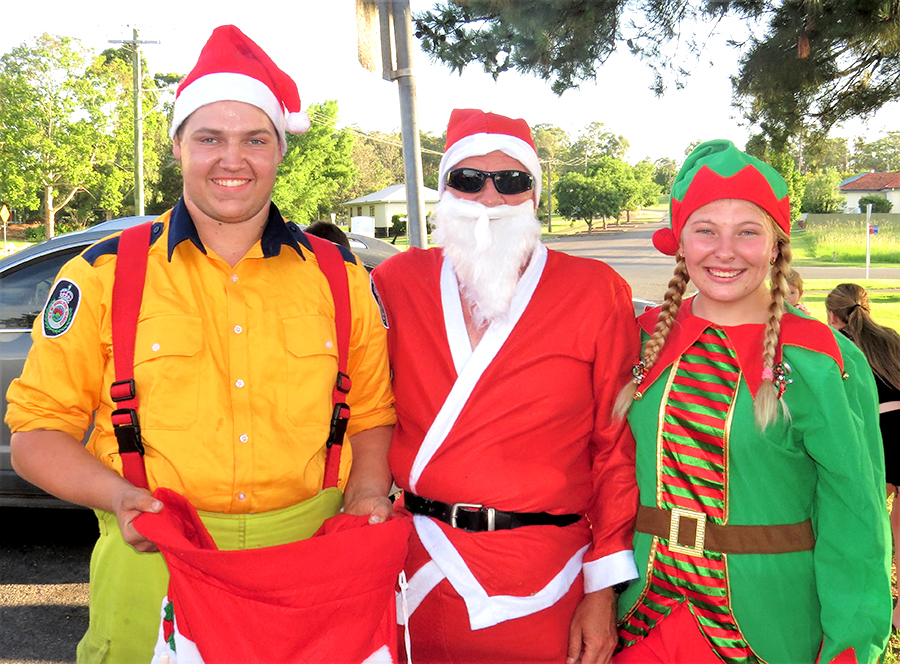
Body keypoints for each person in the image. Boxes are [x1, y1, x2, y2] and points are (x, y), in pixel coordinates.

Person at [5, 25, 395, 664]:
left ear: (279, 151)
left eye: (255, 140)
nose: (231, 159)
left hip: (306, 562)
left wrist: (366, 494)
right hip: (154, 556)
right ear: (179, 145)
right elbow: (36, 435)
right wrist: (119, 498)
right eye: (210, 137)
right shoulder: (102, 276)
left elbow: (374, 414)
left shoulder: (343, 280)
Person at [370, 108, 641, 664]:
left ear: (535, 196)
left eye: (512, 181)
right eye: (467, 180)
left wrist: (603, 587)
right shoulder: (396, 281)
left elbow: (615, 448)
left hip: (545, 579)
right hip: (412, 573)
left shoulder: (596, 291)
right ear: (443, 190)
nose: (488, 198)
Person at [613, 139, 891, 664]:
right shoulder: (641, 339)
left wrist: (852, 643)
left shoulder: (823, 360)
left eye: (747, 231)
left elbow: (855, 519)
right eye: (705, 230)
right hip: (641, 622)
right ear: (681, 243)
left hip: (769, 624)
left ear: (776, 245)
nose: (725, 251)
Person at [826, 282, 900, 629]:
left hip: (874, 435)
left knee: (866, 518)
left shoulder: (837, 346)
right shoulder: (890, 337)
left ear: (831, 314)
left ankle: (868, 593)